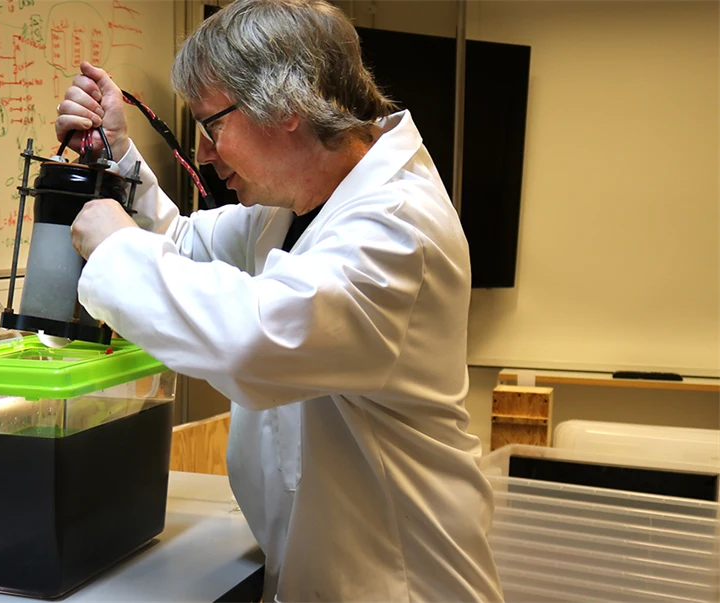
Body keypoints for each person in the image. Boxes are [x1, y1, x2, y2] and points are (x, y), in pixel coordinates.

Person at [54, 0, 503, 600]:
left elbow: (253, 340)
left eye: (212, 125)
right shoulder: (290, 211)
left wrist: (114, 252)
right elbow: (183, 246)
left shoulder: (397, 227)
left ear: (285, 105)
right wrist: (119, 156)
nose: (206, 153)